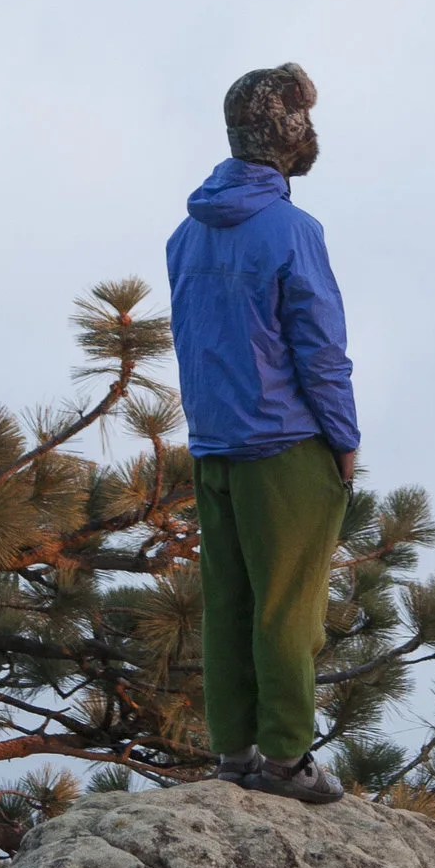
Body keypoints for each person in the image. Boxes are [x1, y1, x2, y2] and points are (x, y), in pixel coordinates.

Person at [164, 61, 358, 803]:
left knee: (231, 604)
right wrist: (342, 442)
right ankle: (285, 760)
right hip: (285, 447)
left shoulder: (187, 233)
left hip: (214, 447)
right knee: (288, 609)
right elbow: (320, 348)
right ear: (289, 135)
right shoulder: (292, 230)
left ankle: (234, 754)